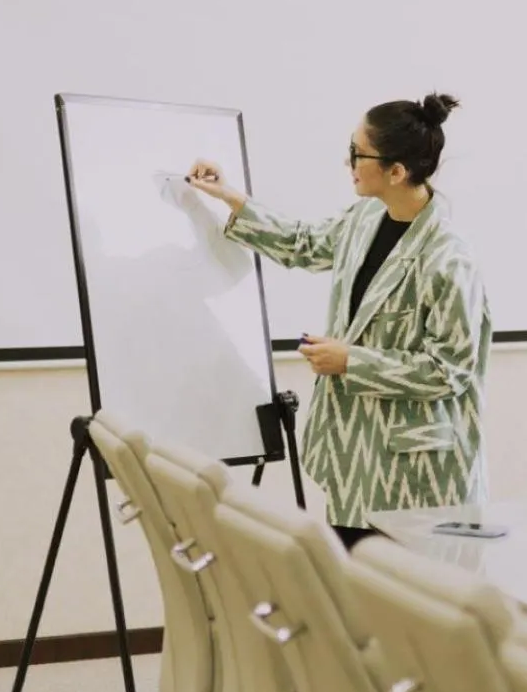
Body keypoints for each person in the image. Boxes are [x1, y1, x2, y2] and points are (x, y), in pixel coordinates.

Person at [187, 93, 491, 549]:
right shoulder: (367, 217)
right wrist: (231, 197)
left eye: (357, 153)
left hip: (420, 476)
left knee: (408, 607)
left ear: (396, 171)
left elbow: (450, 369)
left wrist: (352, 360)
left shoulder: (449, 259)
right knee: (357, 597)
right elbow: (303, 244)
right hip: (355, 457)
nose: (348, 162)